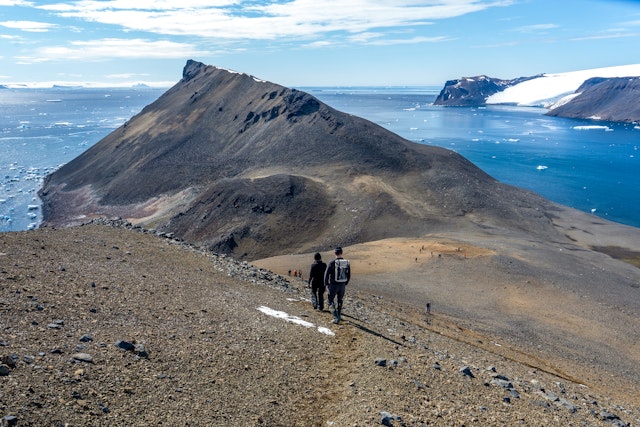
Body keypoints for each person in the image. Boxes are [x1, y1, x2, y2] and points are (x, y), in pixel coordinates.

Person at [324, 246, 350, 324]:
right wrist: (345, 283)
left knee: (330, 301)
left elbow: (326, 274)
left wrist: (326, 284)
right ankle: (339, 315)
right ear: (341, 253)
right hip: (342, 285)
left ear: (335, 253)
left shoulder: (332, 263)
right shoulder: (346, 262)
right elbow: (348, 274)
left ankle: (336, 317)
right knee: (340, 300)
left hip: (333, 285)